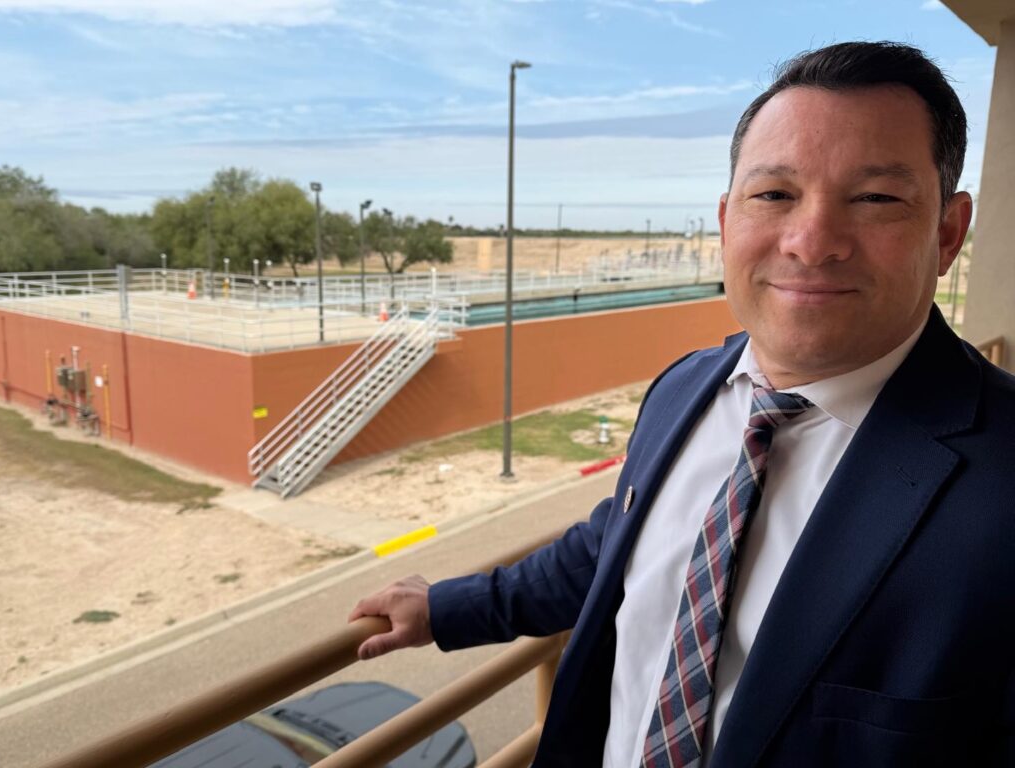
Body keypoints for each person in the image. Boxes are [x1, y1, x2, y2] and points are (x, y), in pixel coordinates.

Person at [349, 41, 1015, 767]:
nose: (812, 241)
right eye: (775, 195)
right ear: (728, 220)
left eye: (876, 198)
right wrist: (447, 609)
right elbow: (615, 546)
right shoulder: (684, 391)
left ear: (948, 232)